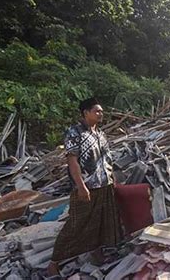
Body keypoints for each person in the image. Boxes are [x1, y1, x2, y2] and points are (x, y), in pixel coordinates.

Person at [48, 97, 121, 276]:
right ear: (85, 113)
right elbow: (72, 161)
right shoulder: (75, 133)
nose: (100, 114)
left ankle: (97, 253)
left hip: (104, 185)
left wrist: (113, 179)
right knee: (75, 224)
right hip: (87, 186)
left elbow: (107, 160)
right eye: (97, 111)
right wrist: (81, 186)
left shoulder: (100, 134)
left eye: (101, 111)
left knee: (100, 222)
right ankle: (54, 262)